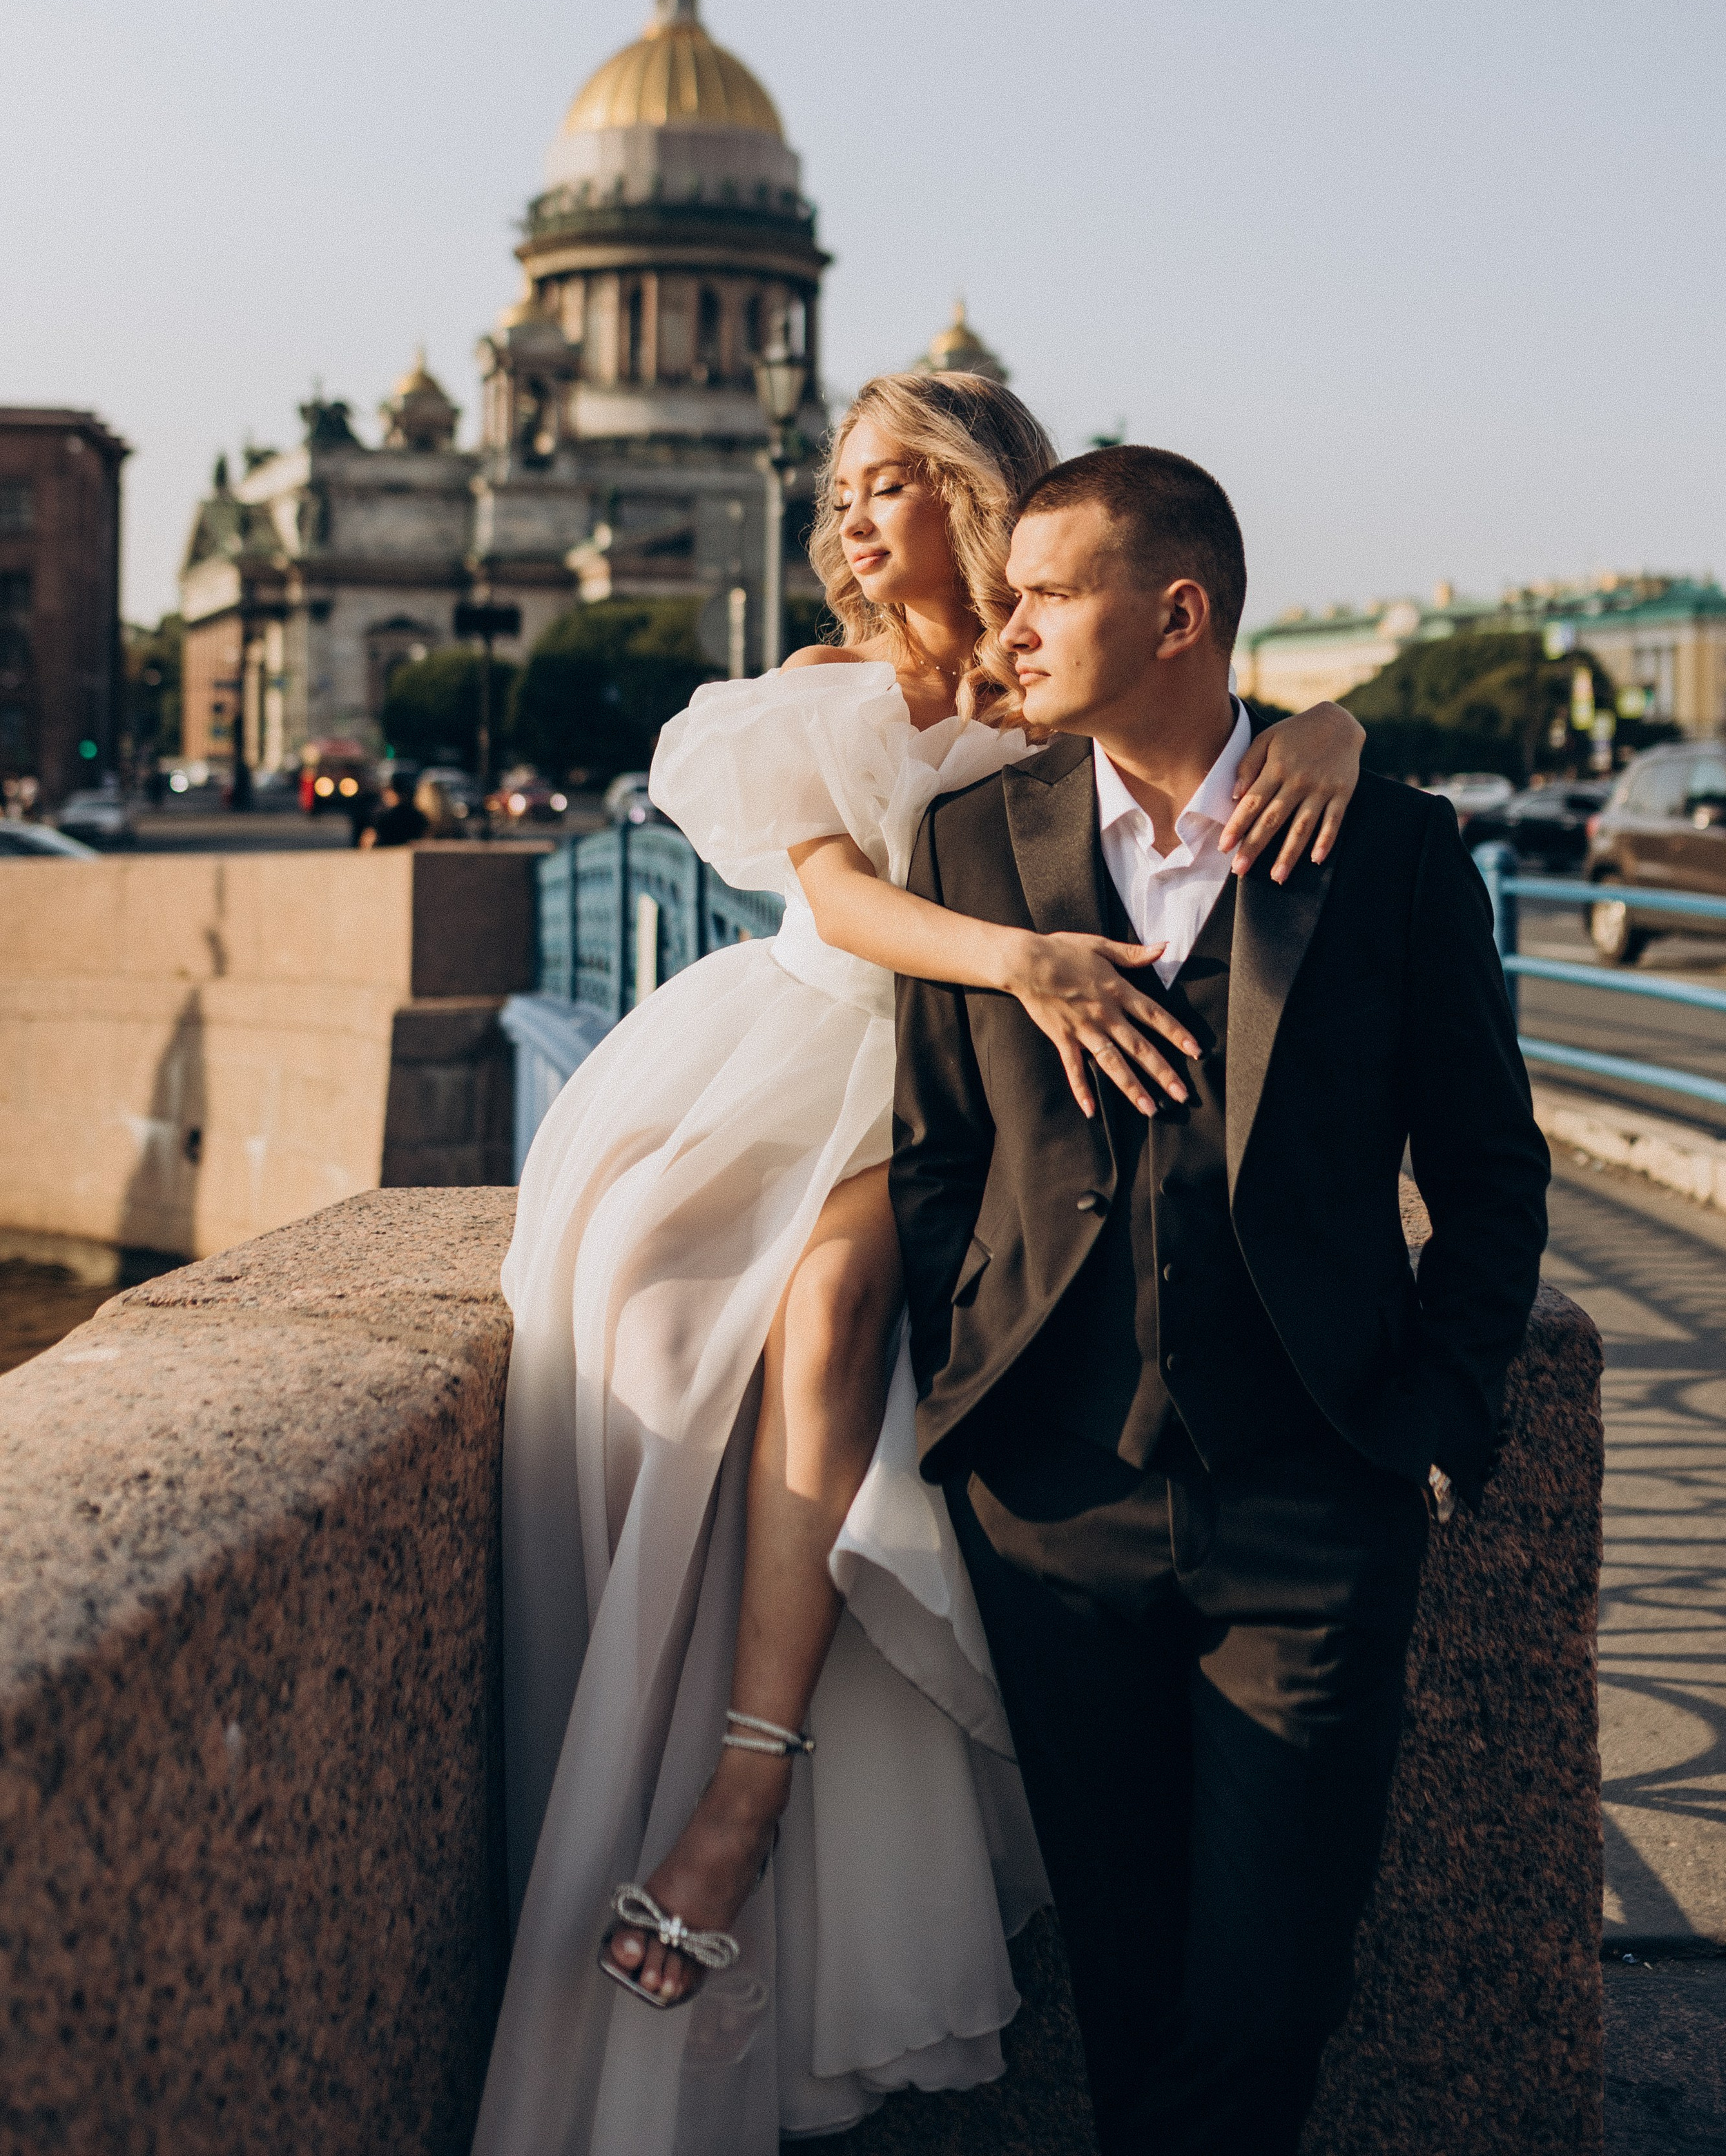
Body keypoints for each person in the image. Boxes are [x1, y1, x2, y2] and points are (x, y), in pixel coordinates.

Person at [472, 376, 1367, 2156]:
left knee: (828, 1299)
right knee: (684, 1327)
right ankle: (730, 1762)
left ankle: (743, 1783)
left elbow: (1203, 728)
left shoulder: (1057, 678)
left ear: (981, 491)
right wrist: (1026, 957)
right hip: (826, 1049)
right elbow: (839, 894)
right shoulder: (819, 686)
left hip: (978, 1100)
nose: (859, 515)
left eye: (898, 481)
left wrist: (1325, 725)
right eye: (845, 486)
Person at [891, 444, 1551, 2156]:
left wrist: (1437, 1408)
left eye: (1042, 593)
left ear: (1173, 613)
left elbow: (1489, 1167)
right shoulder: (971, 839)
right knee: (1120, 1977)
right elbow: (933, 1158)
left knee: (1271, 1986)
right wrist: (960, 1409)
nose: (1004, 627)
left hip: (1308, 1503)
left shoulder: (1392, 850)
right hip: (1048, 1501)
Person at [358, 768, 431, 848]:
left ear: (392, 791)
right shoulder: (421, 818)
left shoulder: (382, 818)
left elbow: (369, 842)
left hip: (385, 858)